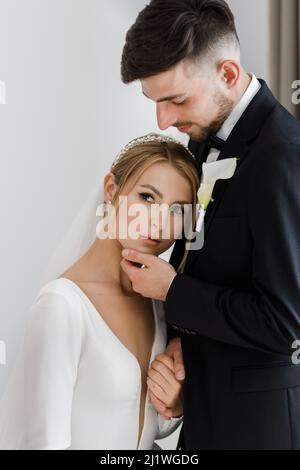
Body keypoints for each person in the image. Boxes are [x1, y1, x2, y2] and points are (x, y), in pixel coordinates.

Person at [120, 0, 300, 450]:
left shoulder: (283, 157)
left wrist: (173, 293)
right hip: (203, 414)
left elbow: (287, 324)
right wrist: (185, 347)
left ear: (228, 74)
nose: (163, 121)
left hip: (261, 430)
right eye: (154, 100)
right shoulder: (201, 141)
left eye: (175, 100)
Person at [0, 134, 200, 450]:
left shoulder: (156, 306)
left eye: (177, 210)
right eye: (147, 198)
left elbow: (143, 425)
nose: (160, 221)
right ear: (111, 189)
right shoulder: (62, 306)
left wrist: (175, 403)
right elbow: (44, 444)